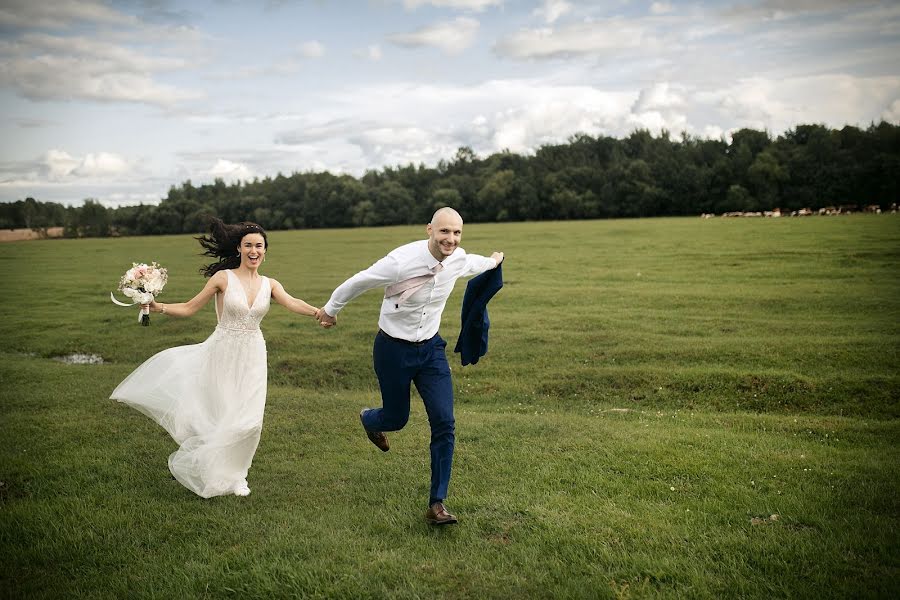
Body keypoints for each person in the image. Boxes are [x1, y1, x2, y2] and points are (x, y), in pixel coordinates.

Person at [316, 207, 503, 525]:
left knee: (445, 422)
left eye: (457, 233)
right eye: (445, 231)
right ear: (430, 229)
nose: (451, 239)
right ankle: (369, 419)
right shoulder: (400, 261)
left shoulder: (457, 259)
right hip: (392, 349)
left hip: (431, 351)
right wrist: (331, 310)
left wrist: (495, 260)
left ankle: (437, 504)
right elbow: (359, 281)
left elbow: (476, 264)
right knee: (397, 418)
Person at [111, 219, 320, 498]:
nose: (254, 250)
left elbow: (293, 302)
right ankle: (222, 472)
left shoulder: (270, 284)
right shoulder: (223, 278)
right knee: (223, 415)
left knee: (250, 421)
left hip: (253, 354)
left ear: (265, 250)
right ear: (239, 248)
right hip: (222, 351)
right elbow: (188, 308)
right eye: (248, 245)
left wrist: (319, 312)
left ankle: (238, 475)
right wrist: (156, 306)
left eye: (259, 245)